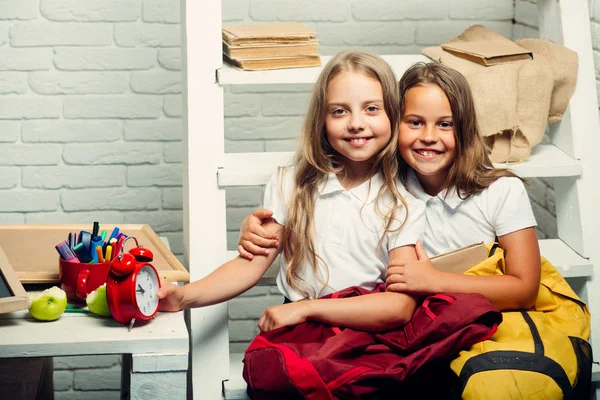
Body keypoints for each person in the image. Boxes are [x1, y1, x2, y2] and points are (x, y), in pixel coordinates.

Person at [237, 62, 541, 311]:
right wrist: (262, 226)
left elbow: (525, 290)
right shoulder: (389, 184)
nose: (429, 136)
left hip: (476, 321)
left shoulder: (502, 192)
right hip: (402, 327)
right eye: (415, 122)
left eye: (446, 124)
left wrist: (433, 280)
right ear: (395, 122)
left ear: (465, 129)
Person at [158, 51, 426, 333]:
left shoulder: (403, 202)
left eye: (371, 108)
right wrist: (183, 297)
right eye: (339, 111)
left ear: (393, 115)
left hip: (364, 335)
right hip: (296, 334)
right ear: (321, 121)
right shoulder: (292, 184)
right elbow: (248, 266)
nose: (356, 123)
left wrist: (308, 308)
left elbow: (399, 307)